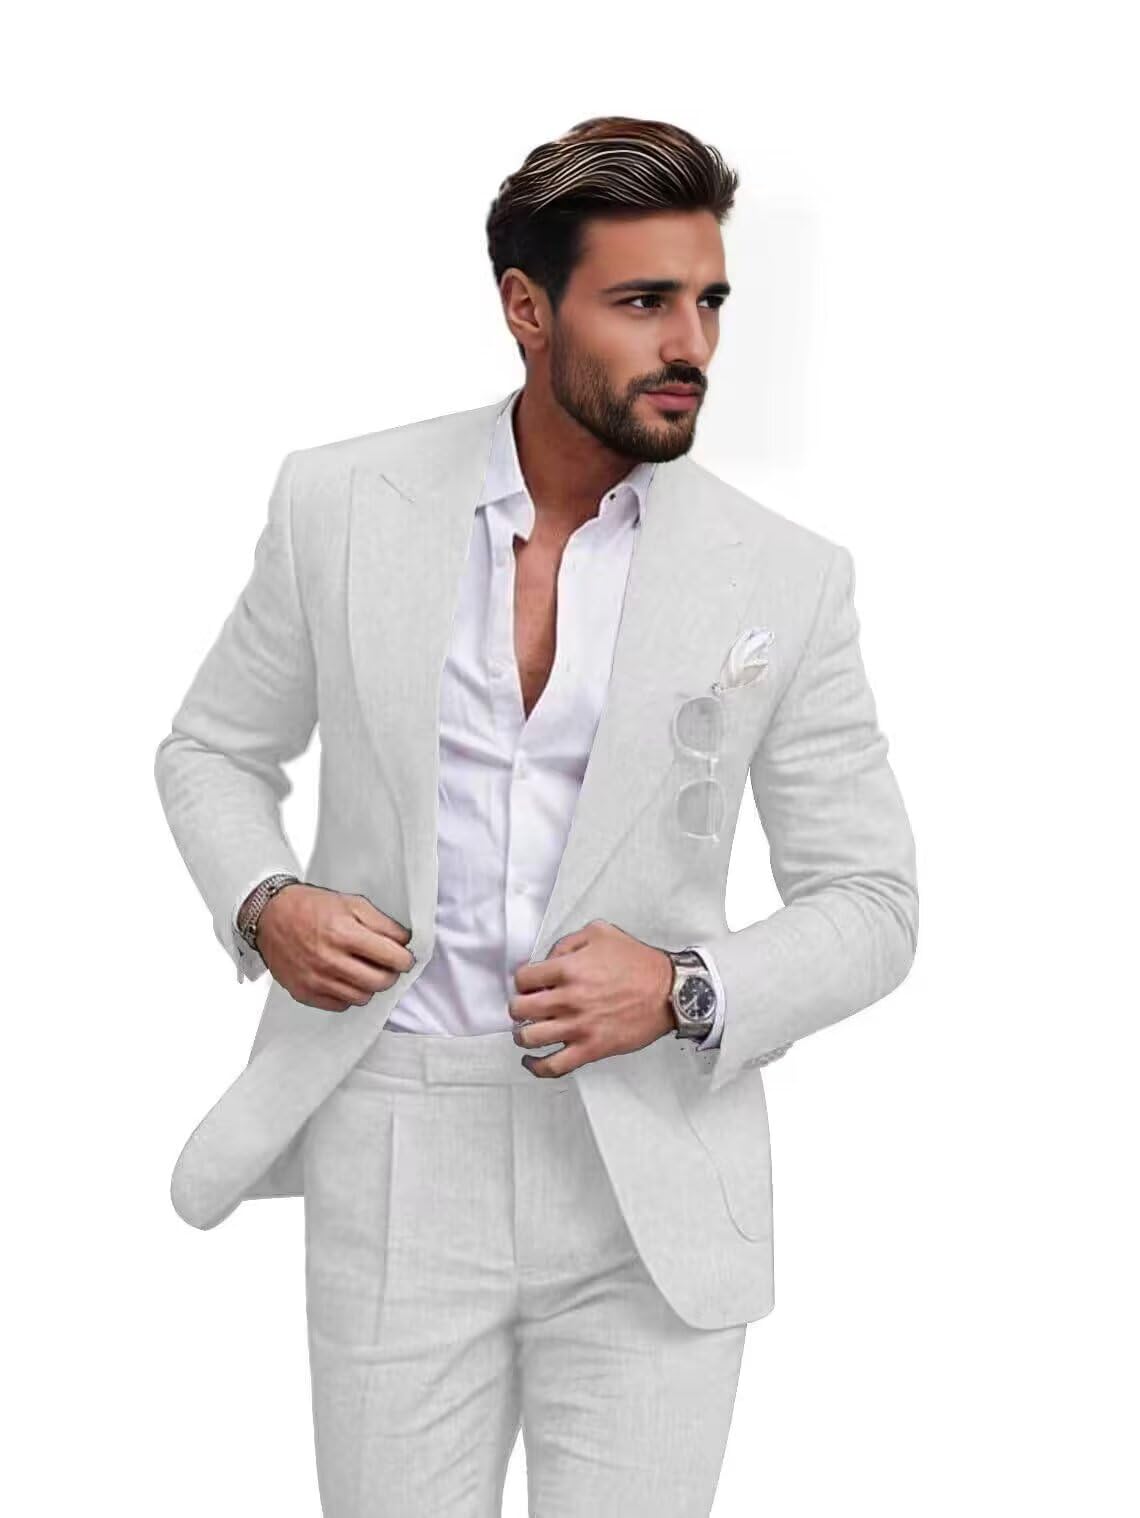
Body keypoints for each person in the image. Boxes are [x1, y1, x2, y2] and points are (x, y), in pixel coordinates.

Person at [155, 114, 919, 1517]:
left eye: (710, 301)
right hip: (400, 1135)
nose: (691, 343)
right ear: (527, 307)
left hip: (651, 1172)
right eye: (643, 302)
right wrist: (268, 903)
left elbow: (872, 903)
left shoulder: (785, 576)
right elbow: (211, 747)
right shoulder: (341, 503)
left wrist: (684, 987)